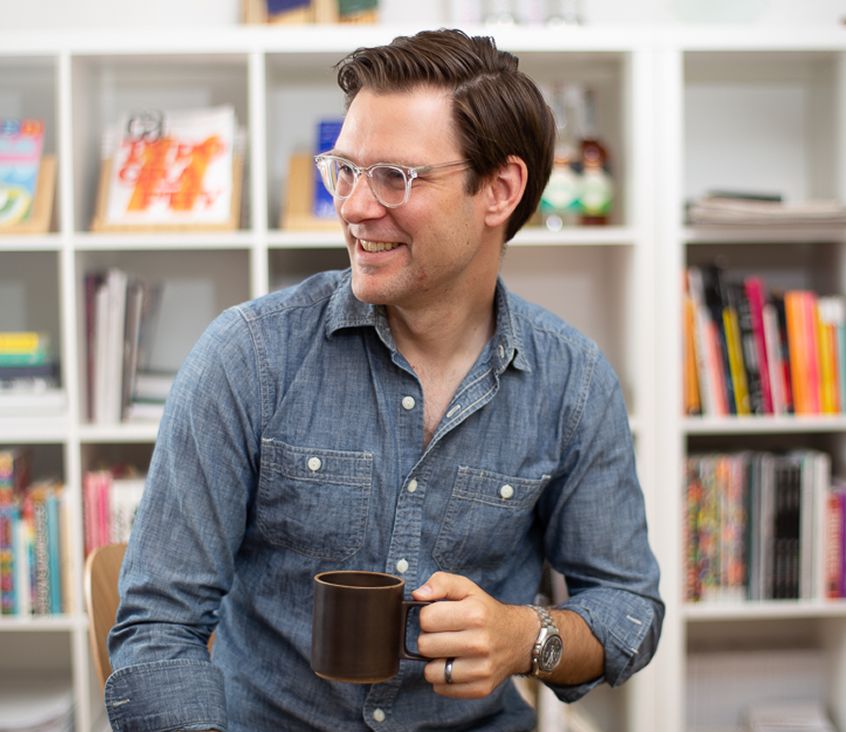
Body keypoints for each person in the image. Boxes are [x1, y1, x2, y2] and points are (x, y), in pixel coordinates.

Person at [106, 28, 663, 732]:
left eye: (395, 177)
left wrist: (528, 636)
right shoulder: (246, 356)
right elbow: (157, 628)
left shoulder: (573, 382)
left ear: (499, 190)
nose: (353, 206)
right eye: (345, 170)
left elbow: (626, 608)